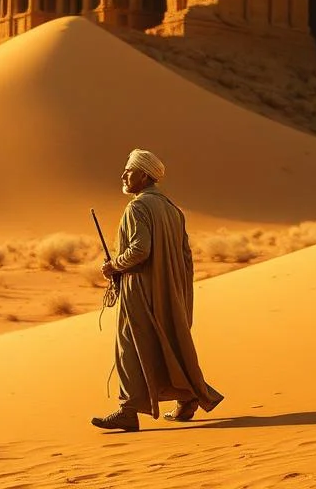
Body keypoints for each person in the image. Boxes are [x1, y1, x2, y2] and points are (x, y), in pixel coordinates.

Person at [91, 148, 223, 432]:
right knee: (167, 345)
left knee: (129, 347)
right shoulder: (172, 209)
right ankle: (188, 397)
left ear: (144, 175)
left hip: (141, 289)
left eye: (129, 171)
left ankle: (128, 411)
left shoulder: (138, 207)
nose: (124, 176)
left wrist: (114, 266)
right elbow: (185, 255)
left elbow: (140, 250)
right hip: (169, 290)